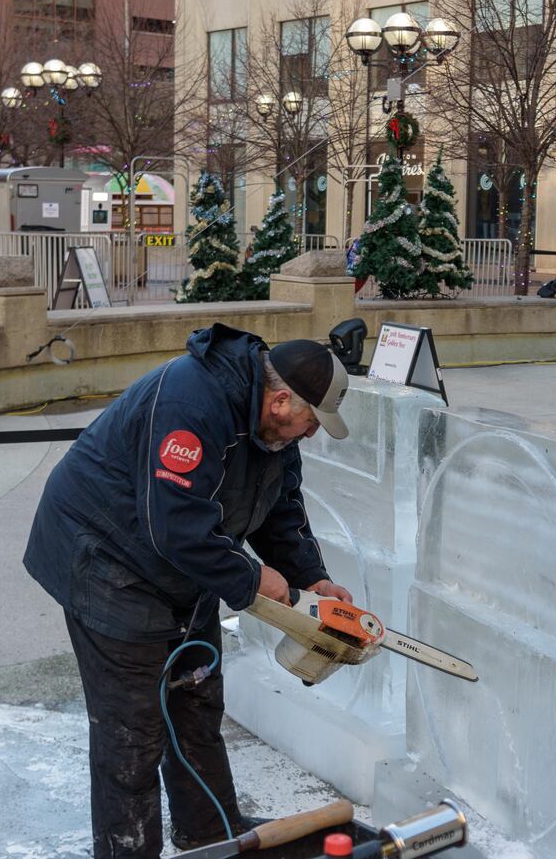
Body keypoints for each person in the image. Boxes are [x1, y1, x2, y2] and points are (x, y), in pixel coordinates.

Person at [23, 324, 353, 859]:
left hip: (185, 565)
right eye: (312, 421)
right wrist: (252, 580)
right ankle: (128, 852)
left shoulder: (276, 431)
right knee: (133, 731)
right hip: (107, 560)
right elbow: (175, 524)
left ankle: (209, 832)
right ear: (281, 400)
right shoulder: (190, 403)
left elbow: (280, 507)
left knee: (196, 701)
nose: (312, 433)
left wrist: (310, 578)